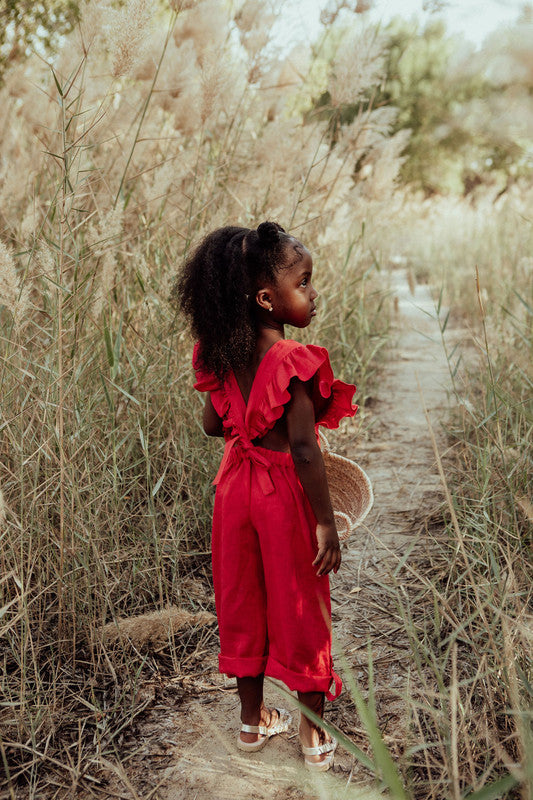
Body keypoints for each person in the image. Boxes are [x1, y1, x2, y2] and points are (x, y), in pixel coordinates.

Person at [174, 221, 357, 771]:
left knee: (242, 601)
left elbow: (212, 425)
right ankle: (313, 734)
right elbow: (303, 449)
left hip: (234, 490)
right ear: (265, 298)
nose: (313, 293)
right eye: (303, 282)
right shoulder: (293, 361)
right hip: (280, 493)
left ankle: (251, 723)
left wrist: (241, 417)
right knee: (302, 603)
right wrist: (326, 522)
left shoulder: (221, 353)